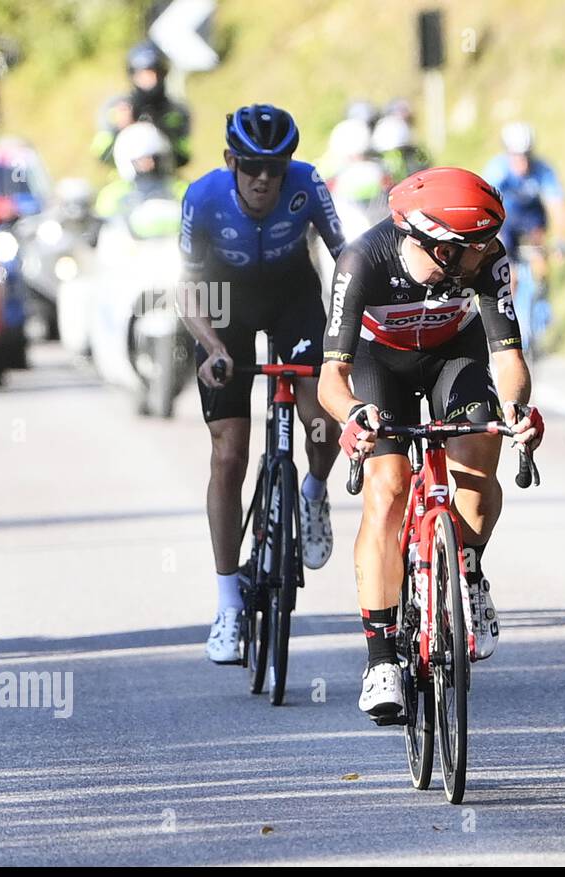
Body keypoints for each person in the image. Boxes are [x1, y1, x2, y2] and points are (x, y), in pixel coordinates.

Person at [316, 166, 543, 721]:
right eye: (476, 242)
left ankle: (467, 565)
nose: (490, 248)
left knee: (479, 455)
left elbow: (508, 357)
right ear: (440, 247)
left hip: (453, 355)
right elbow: (330, 381)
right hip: (378, 366)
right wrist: (354, 415)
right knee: (388, 489)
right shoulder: (361, 261)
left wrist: (517, 412)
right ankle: (380, 659)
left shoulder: (486, 260)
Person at [176, 104, 346, 663]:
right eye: (251, 166)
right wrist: (215, 349)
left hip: (292, 295)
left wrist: (350, 337)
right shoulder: (202, 198)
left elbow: (346, 259)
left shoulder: (307, 185)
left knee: (322, 418)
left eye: (276, 167)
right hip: (224, 305)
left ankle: (314, 493)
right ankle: (228, 602)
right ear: (231, 161)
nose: (264, 180)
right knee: (229, 455)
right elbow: (187, 289)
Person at [482, 122, 565, 280]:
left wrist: (561, 240)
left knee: (539, 259)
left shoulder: (543, 170)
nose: (523, 162)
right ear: (508, 153)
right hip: (505, 218)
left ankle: (540, 293)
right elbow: (484, 207)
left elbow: (558, 208)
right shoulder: (497, 169)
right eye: (517, 156)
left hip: (532, 218)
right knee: (506, 270)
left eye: (527, 155)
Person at [92, 42, 191, 170]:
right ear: (132, 75)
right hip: (127, 181)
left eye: (154, 73)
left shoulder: (176, 112)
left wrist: (158, 129)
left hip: (164, 179)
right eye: (143, 75)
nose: (149, 80)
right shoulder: (116, 109)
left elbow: (184, 155)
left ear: (163, 74)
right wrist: (120, 129)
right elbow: (100, 154)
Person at [93, 122, 186, 221]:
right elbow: (106, 227)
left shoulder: (180, 189)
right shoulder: (112, 195)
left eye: (154, 158)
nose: (149, 164)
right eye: (141, 161)